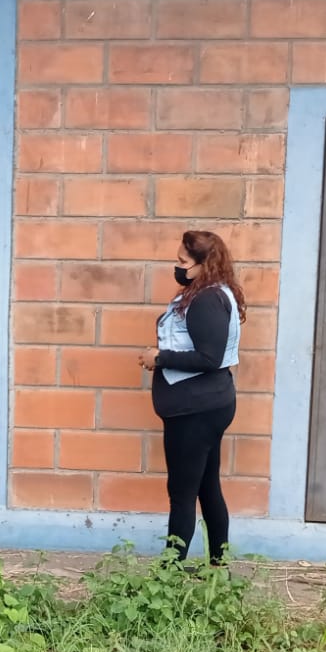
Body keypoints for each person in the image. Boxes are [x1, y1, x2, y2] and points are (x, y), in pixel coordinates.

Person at [137, 230, 245, 567]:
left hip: (196, 410)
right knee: (207, 487)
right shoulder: (211, 292)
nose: (178, 267)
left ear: (203, 264)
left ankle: (169, 576)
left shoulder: (206, 300)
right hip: (205, 405)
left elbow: (210, 358)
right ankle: (218, 567)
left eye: (183, 261)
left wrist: (160, 357)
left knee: (182, 494)